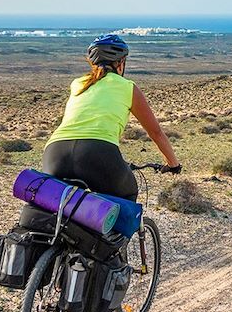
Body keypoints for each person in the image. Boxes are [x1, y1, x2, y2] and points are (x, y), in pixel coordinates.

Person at [42, 34, 181, 202]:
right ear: (120, 63)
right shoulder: (128, 87)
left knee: (55, 204)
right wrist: (173, 164)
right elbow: (156, 132)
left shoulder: (77, 84)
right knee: (126, 196)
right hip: (97, 152)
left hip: (55, 153)